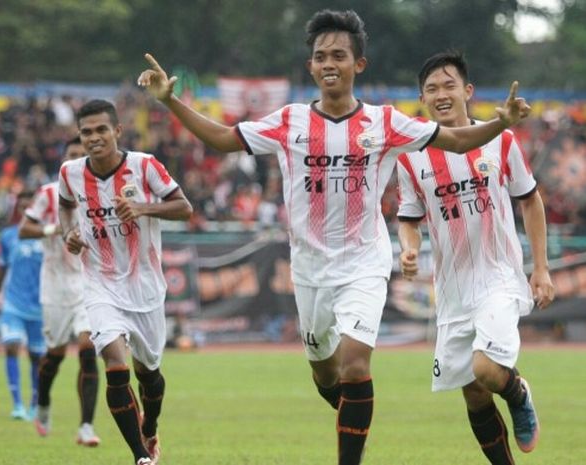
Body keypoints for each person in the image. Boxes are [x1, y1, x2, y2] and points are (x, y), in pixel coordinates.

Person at [137, 9, 531, 465]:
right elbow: (224, 139)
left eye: (339, 55)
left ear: (357, 64)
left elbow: (458, 142)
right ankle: (347, 409)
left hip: (364, 264)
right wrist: (170, 101)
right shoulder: (289, 122)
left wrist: (500, 123)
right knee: (327, 377)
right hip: (309, 271)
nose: (329, 63)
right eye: (320, 56)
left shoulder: (385, 124)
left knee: (356, 364)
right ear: (310, 66)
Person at [396, 51, 554, 464]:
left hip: (498, 276)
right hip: (451, 291)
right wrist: (409, 248)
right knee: (473, 389)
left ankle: (518, 392)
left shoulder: (501, 139)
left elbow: (530, 200)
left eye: (449, 85)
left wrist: (540, 267)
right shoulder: (412, 158)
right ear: (422, 98)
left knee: (486, 370)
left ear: (468, 92)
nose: (441, 94)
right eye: (432, 88)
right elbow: (409, 218)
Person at [57, 99, 193, 465]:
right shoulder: (70, 172)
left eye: (102, 129)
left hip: (145, 288)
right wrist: (68, 233)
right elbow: (65, 205)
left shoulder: (144, 166)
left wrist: (145, 208)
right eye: (87, 132)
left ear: (117, 131)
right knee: (115, 367)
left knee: (148, 375)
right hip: (100, 283)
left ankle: (151, 427)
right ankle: (140, 458)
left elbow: (184, 207)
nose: (94, 137)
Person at [18, 136, 101, 446]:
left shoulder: (99, 194)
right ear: (64, 160)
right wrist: (54, 229)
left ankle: (86, 426)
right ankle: (43, 404)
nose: (77, 160)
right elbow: (24, 229)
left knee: (88, 349)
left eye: (83, 155)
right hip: (54, 286)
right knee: (53, 356)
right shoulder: (49, 195)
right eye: (72, 155)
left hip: (88, 284)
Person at [0, 189, 45, 421]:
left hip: (39, 307)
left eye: (29, 207)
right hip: (13, 304)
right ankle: (17, 405)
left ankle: (34, 405)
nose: (25, 211)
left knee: (36, 357)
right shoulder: (9, 236)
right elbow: (1, 271)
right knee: (11, 347)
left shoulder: (46, 234)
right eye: (21, 207)